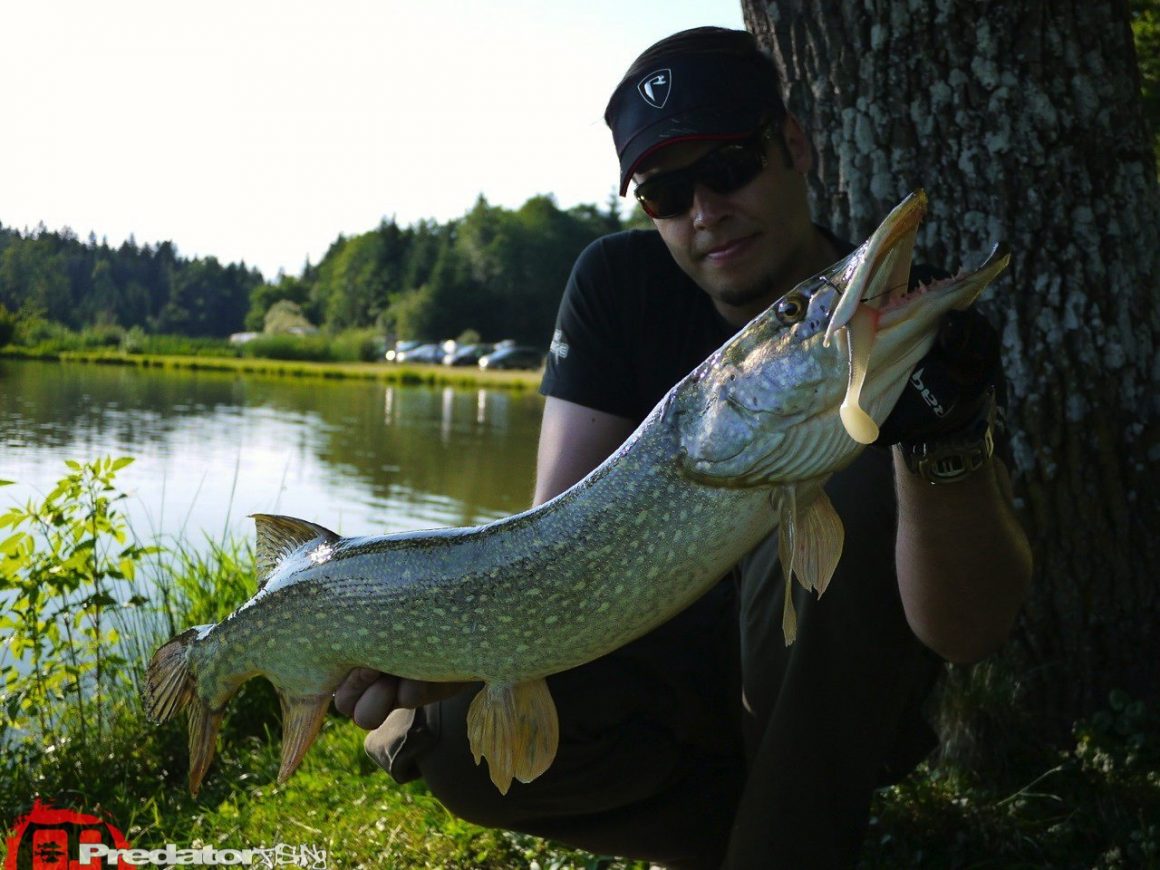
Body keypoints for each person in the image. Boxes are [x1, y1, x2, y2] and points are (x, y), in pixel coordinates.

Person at [335, 26, 1032, 868]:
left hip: (834, 693)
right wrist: (469, 647)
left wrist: (947, 438)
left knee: (850, 476)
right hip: (668, 677)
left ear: (795, 146)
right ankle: (764, 839)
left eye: (730, 165)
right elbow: (549, 552)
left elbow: (968, 632)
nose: (705, 211)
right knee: (450, 742)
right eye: (665, 192)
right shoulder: (615, 285)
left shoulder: (892, 327)